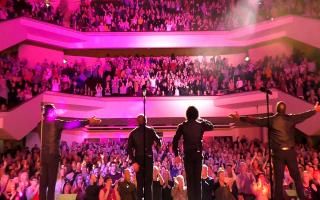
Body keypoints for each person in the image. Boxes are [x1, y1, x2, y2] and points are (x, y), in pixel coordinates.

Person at [229, 101, 320, 200]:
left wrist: (240, 118)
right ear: (285, 109)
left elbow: (256, 120)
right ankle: (302, 198)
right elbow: (303, 115)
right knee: (297, 178)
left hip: (278, 154)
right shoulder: (291, 118)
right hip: (290, 152)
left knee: (278, 179)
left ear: (277, 109)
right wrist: (314, 110)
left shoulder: (272, 120)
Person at [39, 104, 101, 200]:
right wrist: (88, 121)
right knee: (51, 185)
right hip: (53, 157)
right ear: (50, 112)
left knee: (43, 185)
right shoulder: (56, 123)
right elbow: (71, 124)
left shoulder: (40, 125)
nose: (56, 113)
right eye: (54, 111)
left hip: (43, 157)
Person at [172, 106, 214, 200]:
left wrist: (176, 154)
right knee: (197, 181)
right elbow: (211, 126)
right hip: (198, 155)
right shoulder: (201, 124)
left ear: (187, 114)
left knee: (190, 182)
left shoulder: (182, 126)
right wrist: (202, 120)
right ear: (196, 114)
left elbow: (175, 141)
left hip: (188, 156)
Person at [127, 114, 162, 200]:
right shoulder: (150, 130)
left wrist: (133, 162)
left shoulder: (133, 132)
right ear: (146, 121)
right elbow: (159, 142)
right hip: (148, 158)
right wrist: (157, 147)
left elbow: (129, 149)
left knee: (139, 184)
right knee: (148, 184)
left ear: (137, 121)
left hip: (138, 159)